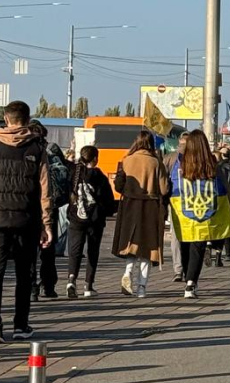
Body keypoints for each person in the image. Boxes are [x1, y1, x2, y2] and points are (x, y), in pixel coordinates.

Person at [0, 101, 53, 343]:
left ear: (6, 119)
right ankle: (20, 325)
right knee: (24, 272)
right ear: (27, 120)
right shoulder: (37, 149)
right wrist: (46, 224)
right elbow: (45, 190)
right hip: (26, 219)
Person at [169, 130, 230, 298]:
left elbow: (173, 184)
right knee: (198, 246)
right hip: (205, 209)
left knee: (185, 242)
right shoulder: (211, 163)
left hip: (184, 209)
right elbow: (220, 188)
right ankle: (191, 283)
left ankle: (187, 276)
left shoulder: (180, 163)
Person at [112, 130, 170, 298]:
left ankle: (128, 272)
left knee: (132, 244)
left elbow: (118, 186)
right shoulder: (156, 162)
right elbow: (164, 189)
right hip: (151, 207)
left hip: (130, 205)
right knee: (147, 248)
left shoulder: (126, 160)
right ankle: (142, 288)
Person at [65, 146, 116, 298]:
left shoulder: (74, 173)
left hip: (76, 217)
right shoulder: (100, 177)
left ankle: (71, 280)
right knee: (92, 251)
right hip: (95, 218)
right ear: (95, 158)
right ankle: (88, 285)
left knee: (75, 250)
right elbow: (109, 201)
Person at [29, 121, 70, 300]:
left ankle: (31, 288)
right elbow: (65, 172)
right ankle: (49, 286)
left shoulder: (26, 151)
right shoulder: (52, 150)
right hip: (50, 205)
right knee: (48, 249)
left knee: (29, 250)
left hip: (29, 205)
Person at [163, 132, 189, 282]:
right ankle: (188, 269)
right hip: (194, 201)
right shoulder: (197, 157)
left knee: (176, 235)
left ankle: (178, 268)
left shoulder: (169, 158)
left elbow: (163, 181)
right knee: (192, 236)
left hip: (175, 201)